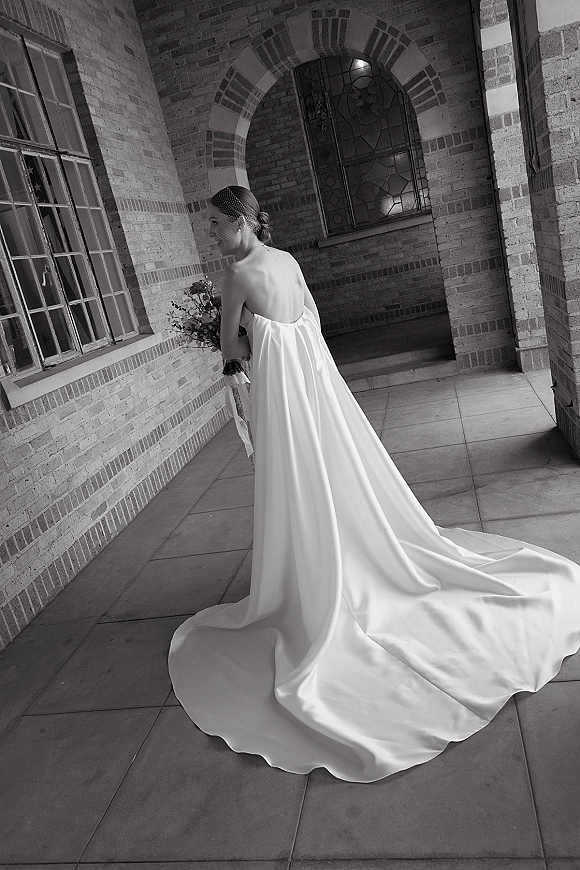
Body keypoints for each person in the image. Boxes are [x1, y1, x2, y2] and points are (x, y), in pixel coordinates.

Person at [169, 185, 580, 783]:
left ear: (241, 221)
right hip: (314, 384)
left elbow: (232, 344)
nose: (211, 235)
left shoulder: (236, 275)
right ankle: (350, 551)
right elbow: (311, 319)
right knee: (338, 469)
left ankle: (316, 567)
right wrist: (281, 337)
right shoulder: (286, 260)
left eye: (215, 224)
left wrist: (246, 340)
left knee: (296, 479)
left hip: (282, 395)